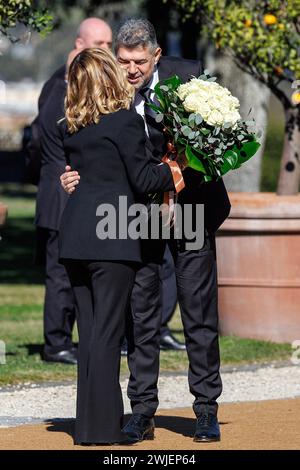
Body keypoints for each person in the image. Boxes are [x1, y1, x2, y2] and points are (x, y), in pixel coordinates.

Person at [61, 18, 231, 443]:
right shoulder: (110, 94)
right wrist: (74, 175)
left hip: (191, 210)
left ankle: (206, 408)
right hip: (136, 217)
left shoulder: (189, 78)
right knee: (141, 315)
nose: (131, 69)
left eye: (139, 61)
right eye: (123, 60)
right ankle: (141, 411)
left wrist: (189, 166)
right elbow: (93, 149)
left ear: (156, 56)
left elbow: (222, 135)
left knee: (197, 311)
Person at [57, 47, 182, 445]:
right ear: (109, 77)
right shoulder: (126, 122)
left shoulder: (71, 128)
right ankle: (105, 429)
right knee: (108, 335)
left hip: (75, 239)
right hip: (113, 240)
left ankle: (88, 429)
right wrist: (180, 166)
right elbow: (144, 181)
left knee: (91, 333)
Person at [31, 18, 112, 364]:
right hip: (60, 193)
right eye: (102, 44)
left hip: (56, 189)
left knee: (65, 273)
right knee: (61, 276)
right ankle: (56, 343)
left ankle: (62, 340)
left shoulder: (56, 85)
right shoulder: (64, 93)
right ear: (79, 46)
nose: (107, 51)